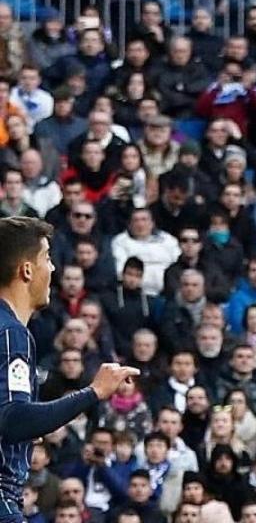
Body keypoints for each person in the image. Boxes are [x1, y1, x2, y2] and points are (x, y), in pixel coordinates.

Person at [0, 217, 139, 521]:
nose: (52, 269)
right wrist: (94, 392)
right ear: (26, 270)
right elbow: (10, 419)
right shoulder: (10, 333)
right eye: (46, 258)